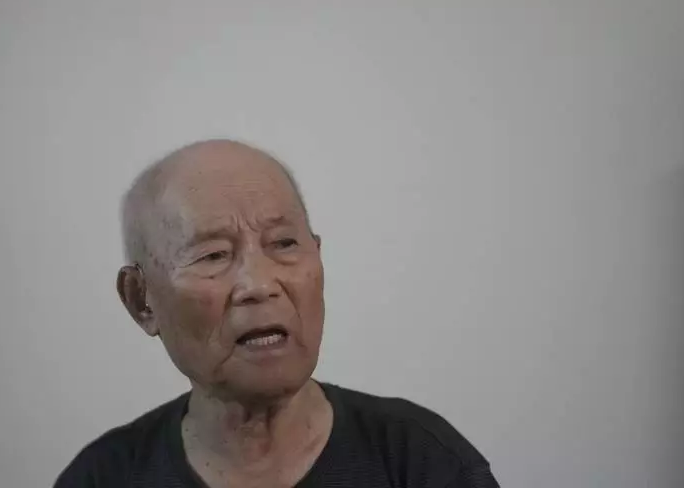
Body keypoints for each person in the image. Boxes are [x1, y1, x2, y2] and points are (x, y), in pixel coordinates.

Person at [55, 139, 499, 487]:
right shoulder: (104, 477)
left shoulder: (420, 461)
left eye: (284, 244)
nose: (260, 284)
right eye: (213, 255)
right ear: (141, 300)